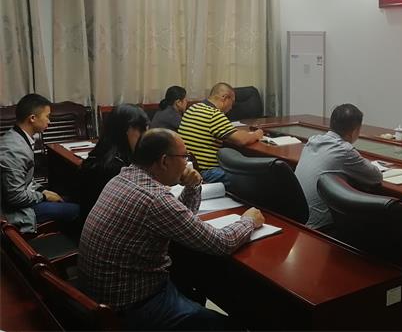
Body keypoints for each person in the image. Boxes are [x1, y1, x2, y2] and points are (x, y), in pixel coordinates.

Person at [79, 128, 264, 331]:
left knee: (191, 278)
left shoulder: (122, 178)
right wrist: (248, 221)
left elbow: (179, 221)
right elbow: (222, 243)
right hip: (131, 309)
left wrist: (193, 186)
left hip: (96, 298)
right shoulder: (155, 199)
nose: (187, 162)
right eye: (184, 156)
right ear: (164, 161)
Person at [295, 103, 382, 230]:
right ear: (355, 131)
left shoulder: (313, 140)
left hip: (297, 217)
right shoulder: (344, 150)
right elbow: (376, 177)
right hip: (319, 226)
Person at [0, 93, 79, 233]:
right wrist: (43, 196)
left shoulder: (17, 136)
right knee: (77, 209)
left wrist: (42, 190)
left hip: (24, 199)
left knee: (71, 198)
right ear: (32, 118)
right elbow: (15, 197)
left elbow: (25, 180)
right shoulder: (14, 150)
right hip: (16, 211)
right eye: (47, 116)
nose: (49, 121)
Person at [178, 83, 263, 185]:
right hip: (206, 173)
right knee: (252, 177)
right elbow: (242, 140)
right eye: (232, 102)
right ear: (225, 98)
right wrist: (257, 134)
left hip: (189, 169)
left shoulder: (192, 108)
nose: (231, 107)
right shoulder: (214, 115)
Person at [78, 104, 149, 221]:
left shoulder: (101, 154)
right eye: (141, 131)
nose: (144, 137)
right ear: (127, 130)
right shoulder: (115, 167)